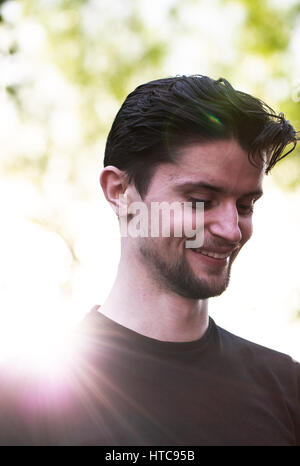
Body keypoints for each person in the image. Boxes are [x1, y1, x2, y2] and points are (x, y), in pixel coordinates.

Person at [1, 75, 299, 446]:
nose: (231, 231)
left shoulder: (288, 389)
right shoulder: (18, 397)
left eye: (244, 206)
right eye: (201, 200)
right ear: (120, 192)